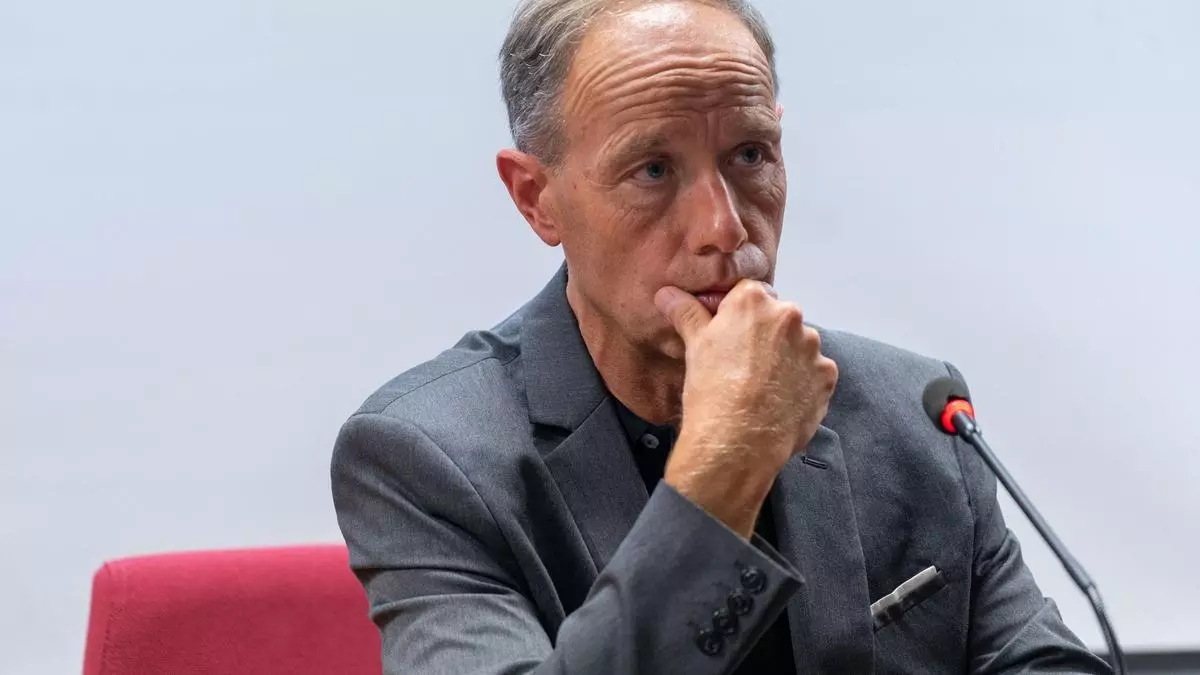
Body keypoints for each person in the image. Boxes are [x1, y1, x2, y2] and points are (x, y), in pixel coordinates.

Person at [331, 0, 1112, 673]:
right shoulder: (429, 457)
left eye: (749, 155)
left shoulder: (917, 410)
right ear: (536, 197)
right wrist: (726, 465)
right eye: (653, 170)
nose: (725, 227)